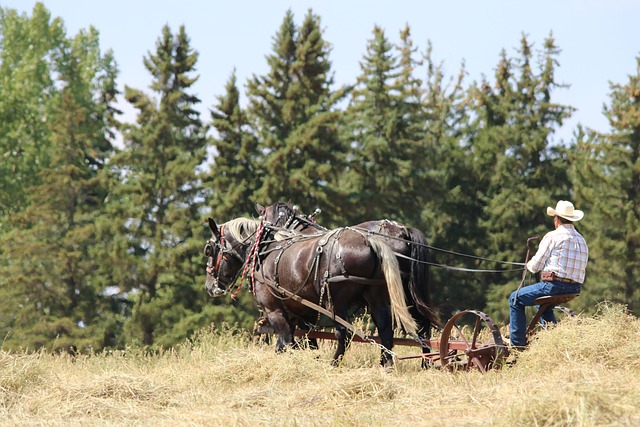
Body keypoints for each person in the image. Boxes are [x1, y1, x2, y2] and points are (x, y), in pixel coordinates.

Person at [509, 200, 588, 348]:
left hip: (555, 286)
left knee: (515, 298)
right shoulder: (582, 240)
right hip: (575, 288)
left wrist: (529, 265)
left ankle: (516, 346)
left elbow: (536, 265)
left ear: (556, 219)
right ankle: (553, 342)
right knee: (545, 306)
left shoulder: (553, 236)